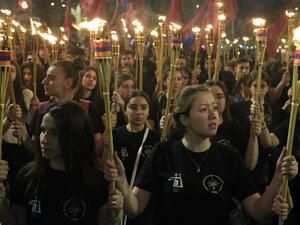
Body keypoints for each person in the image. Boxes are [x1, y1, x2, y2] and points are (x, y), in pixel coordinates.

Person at [104, 85, 298, 225]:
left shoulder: (228, 156)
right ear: (185, 119)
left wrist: (279, 178)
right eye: (204, 110)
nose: (214, 115)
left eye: (214, 108)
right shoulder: (163, 152)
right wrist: (121, 181)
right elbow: (135, 207)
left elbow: (257, 210)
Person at [7, 101, 123, 224]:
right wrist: (2, 205)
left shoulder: (96, 182)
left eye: (55, 133)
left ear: (75, 135)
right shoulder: (27, 176)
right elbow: (15, 221)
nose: (44, 140)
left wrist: (114, 216)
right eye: (43, 130)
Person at [104, 91, 160, 225]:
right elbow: (106, 165)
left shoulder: (156, 139)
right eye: (133, 107)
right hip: (119, 196)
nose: (139, 112)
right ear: (125, 110)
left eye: (143, 107)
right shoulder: (115, 135)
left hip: (145, 199)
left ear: (148, 111)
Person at [3, 61, 34, 191]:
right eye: (5, 69)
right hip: (2, 146)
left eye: (13, 70)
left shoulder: (26, 94)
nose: (9, 73)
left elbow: (30, 122)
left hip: (19, 146)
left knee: (18, 185)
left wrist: (31, 111)